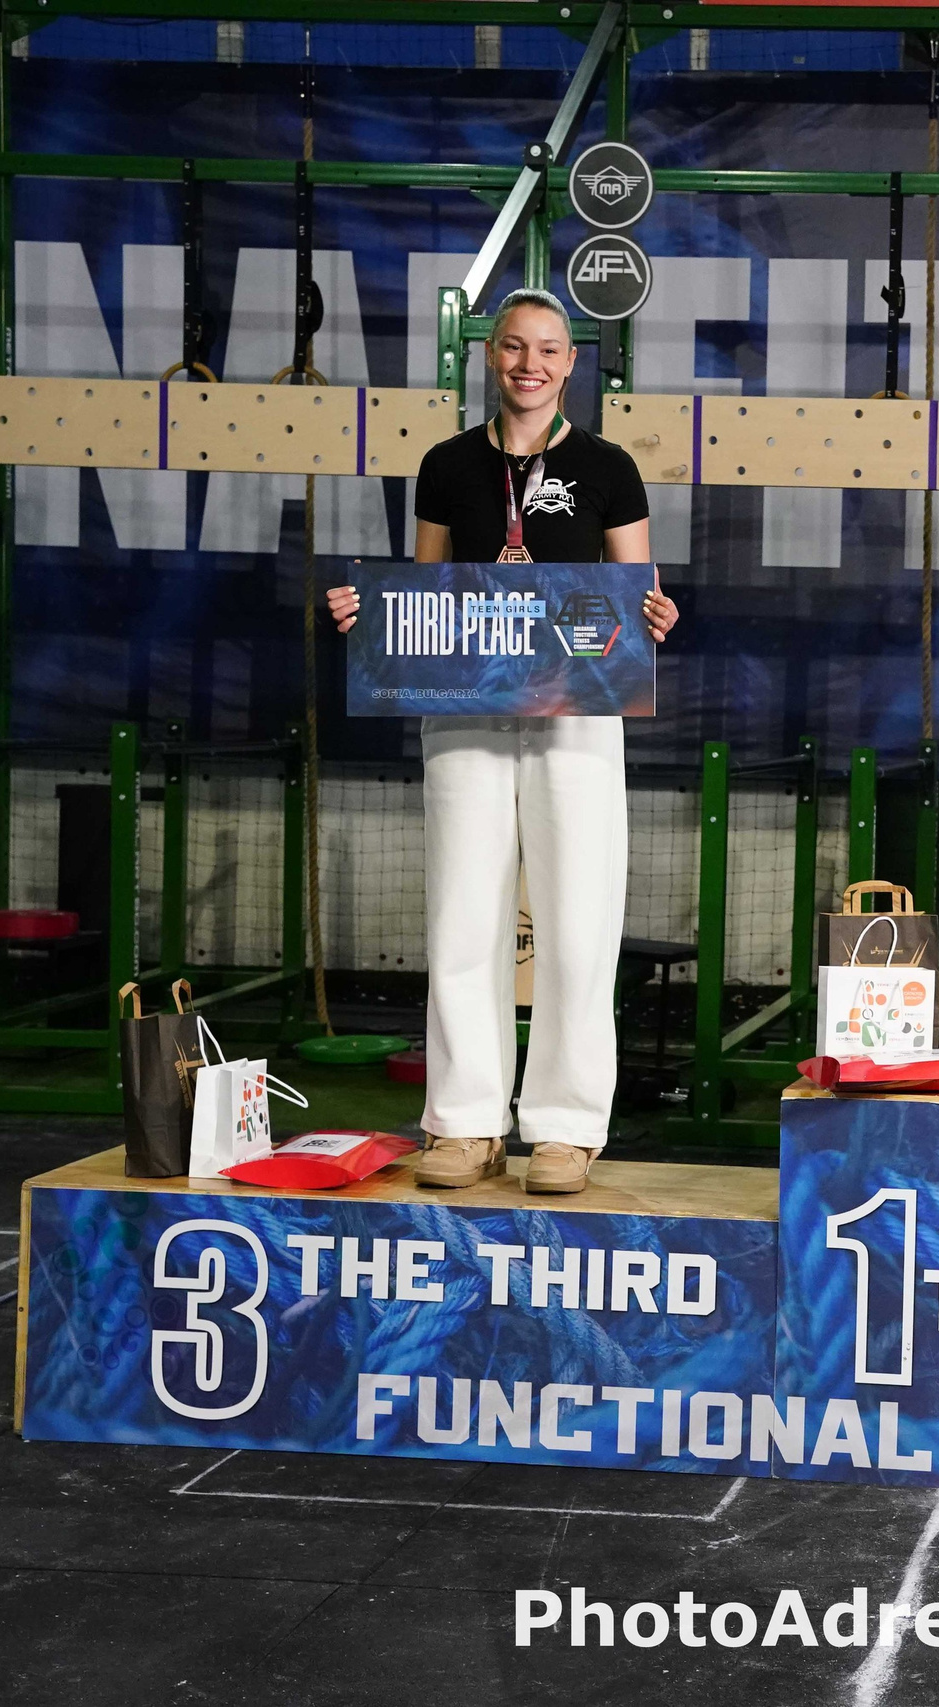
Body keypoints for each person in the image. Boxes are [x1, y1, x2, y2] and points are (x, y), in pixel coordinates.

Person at [324, 287, 677, 1194]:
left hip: (578, 706)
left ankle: (564, 1127)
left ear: (571, 362)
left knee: (576, 920)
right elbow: (428, 591)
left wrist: (657, 614)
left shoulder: (609, 467)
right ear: (490, 355)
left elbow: (637, 592)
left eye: (550, 350)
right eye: (515, 347)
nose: (532, 363)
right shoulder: (444, 465)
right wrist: (373, 616)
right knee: (462, 914)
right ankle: (466, 1121)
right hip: (468, 706)